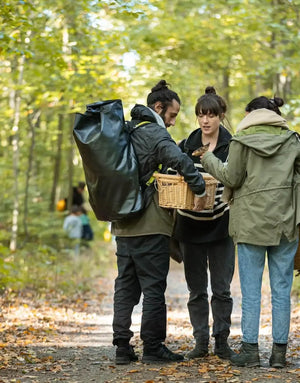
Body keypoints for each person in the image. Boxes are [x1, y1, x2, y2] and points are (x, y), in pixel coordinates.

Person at [110, 80, 207, 365]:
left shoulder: (127, 130)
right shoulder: (154, 133)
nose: (173, 122)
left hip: (123, 222)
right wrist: (200, 189)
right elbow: (181, 161)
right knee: (153, 287)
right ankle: (152, 347)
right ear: (158, 107)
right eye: (172, 115)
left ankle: (122, 348)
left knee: (125, 286)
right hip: (150, 222)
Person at [201, 96, 300, 368]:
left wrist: (208, 157)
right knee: (281, 290)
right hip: (285, 223)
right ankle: (279, 354)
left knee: (251, 290)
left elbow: (231, 178)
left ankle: (250, 351)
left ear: (250, 114)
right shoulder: (293, 140)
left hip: (249, 224)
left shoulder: (241, 141)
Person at [173, 86, 235, 360]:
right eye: (201, 115)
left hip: (222, 225)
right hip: (189, 226)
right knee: (196, 290)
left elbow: (236, 180)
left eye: (211, 115)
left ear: (221, 115)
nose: (205, 121)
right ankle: (200, 343)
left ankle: (221, 342)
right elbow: (172, 176)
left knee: (221, 289)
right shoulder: (186, 145)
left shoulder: (231, 147)